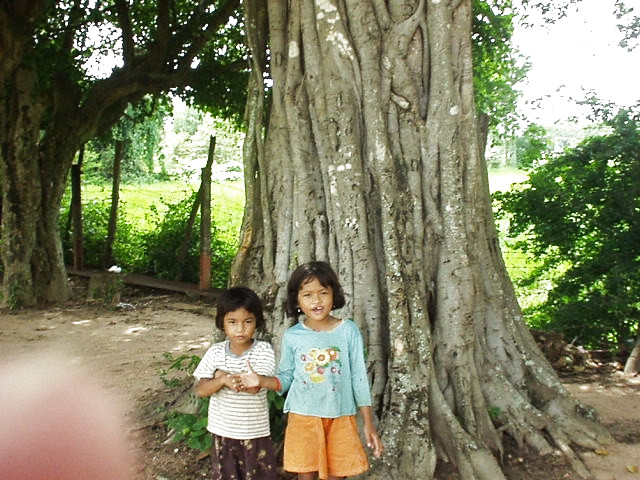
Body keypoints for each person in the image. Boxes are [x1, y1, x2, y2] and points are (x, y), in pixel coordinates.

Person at [238, 261, 384, 480]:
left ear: (334, 295)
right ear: (297, 299)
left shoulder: (348, 331)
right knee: (305, 474)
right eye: (307, 295)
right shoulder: (293, 336)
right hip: (303, 417)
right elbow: (286, 378)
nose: (316, 301)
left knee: (338, 474)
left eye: (323, 293)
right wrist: (260, 380)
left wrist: (369, 424)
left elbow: (359, 379)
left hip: (340, 416)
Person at [193, 286, 278, 480]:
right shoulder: (215, 352)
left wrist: (224, 376)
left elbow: (255, 387)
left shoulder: (263, 350)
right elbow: (200, 390)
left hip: (254, 432)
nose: (240, 329)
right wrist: (222, 379)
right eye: (232, 322)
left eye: (247, 321)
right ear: (222, 323)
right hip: (223, 433)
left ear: (256, 322)